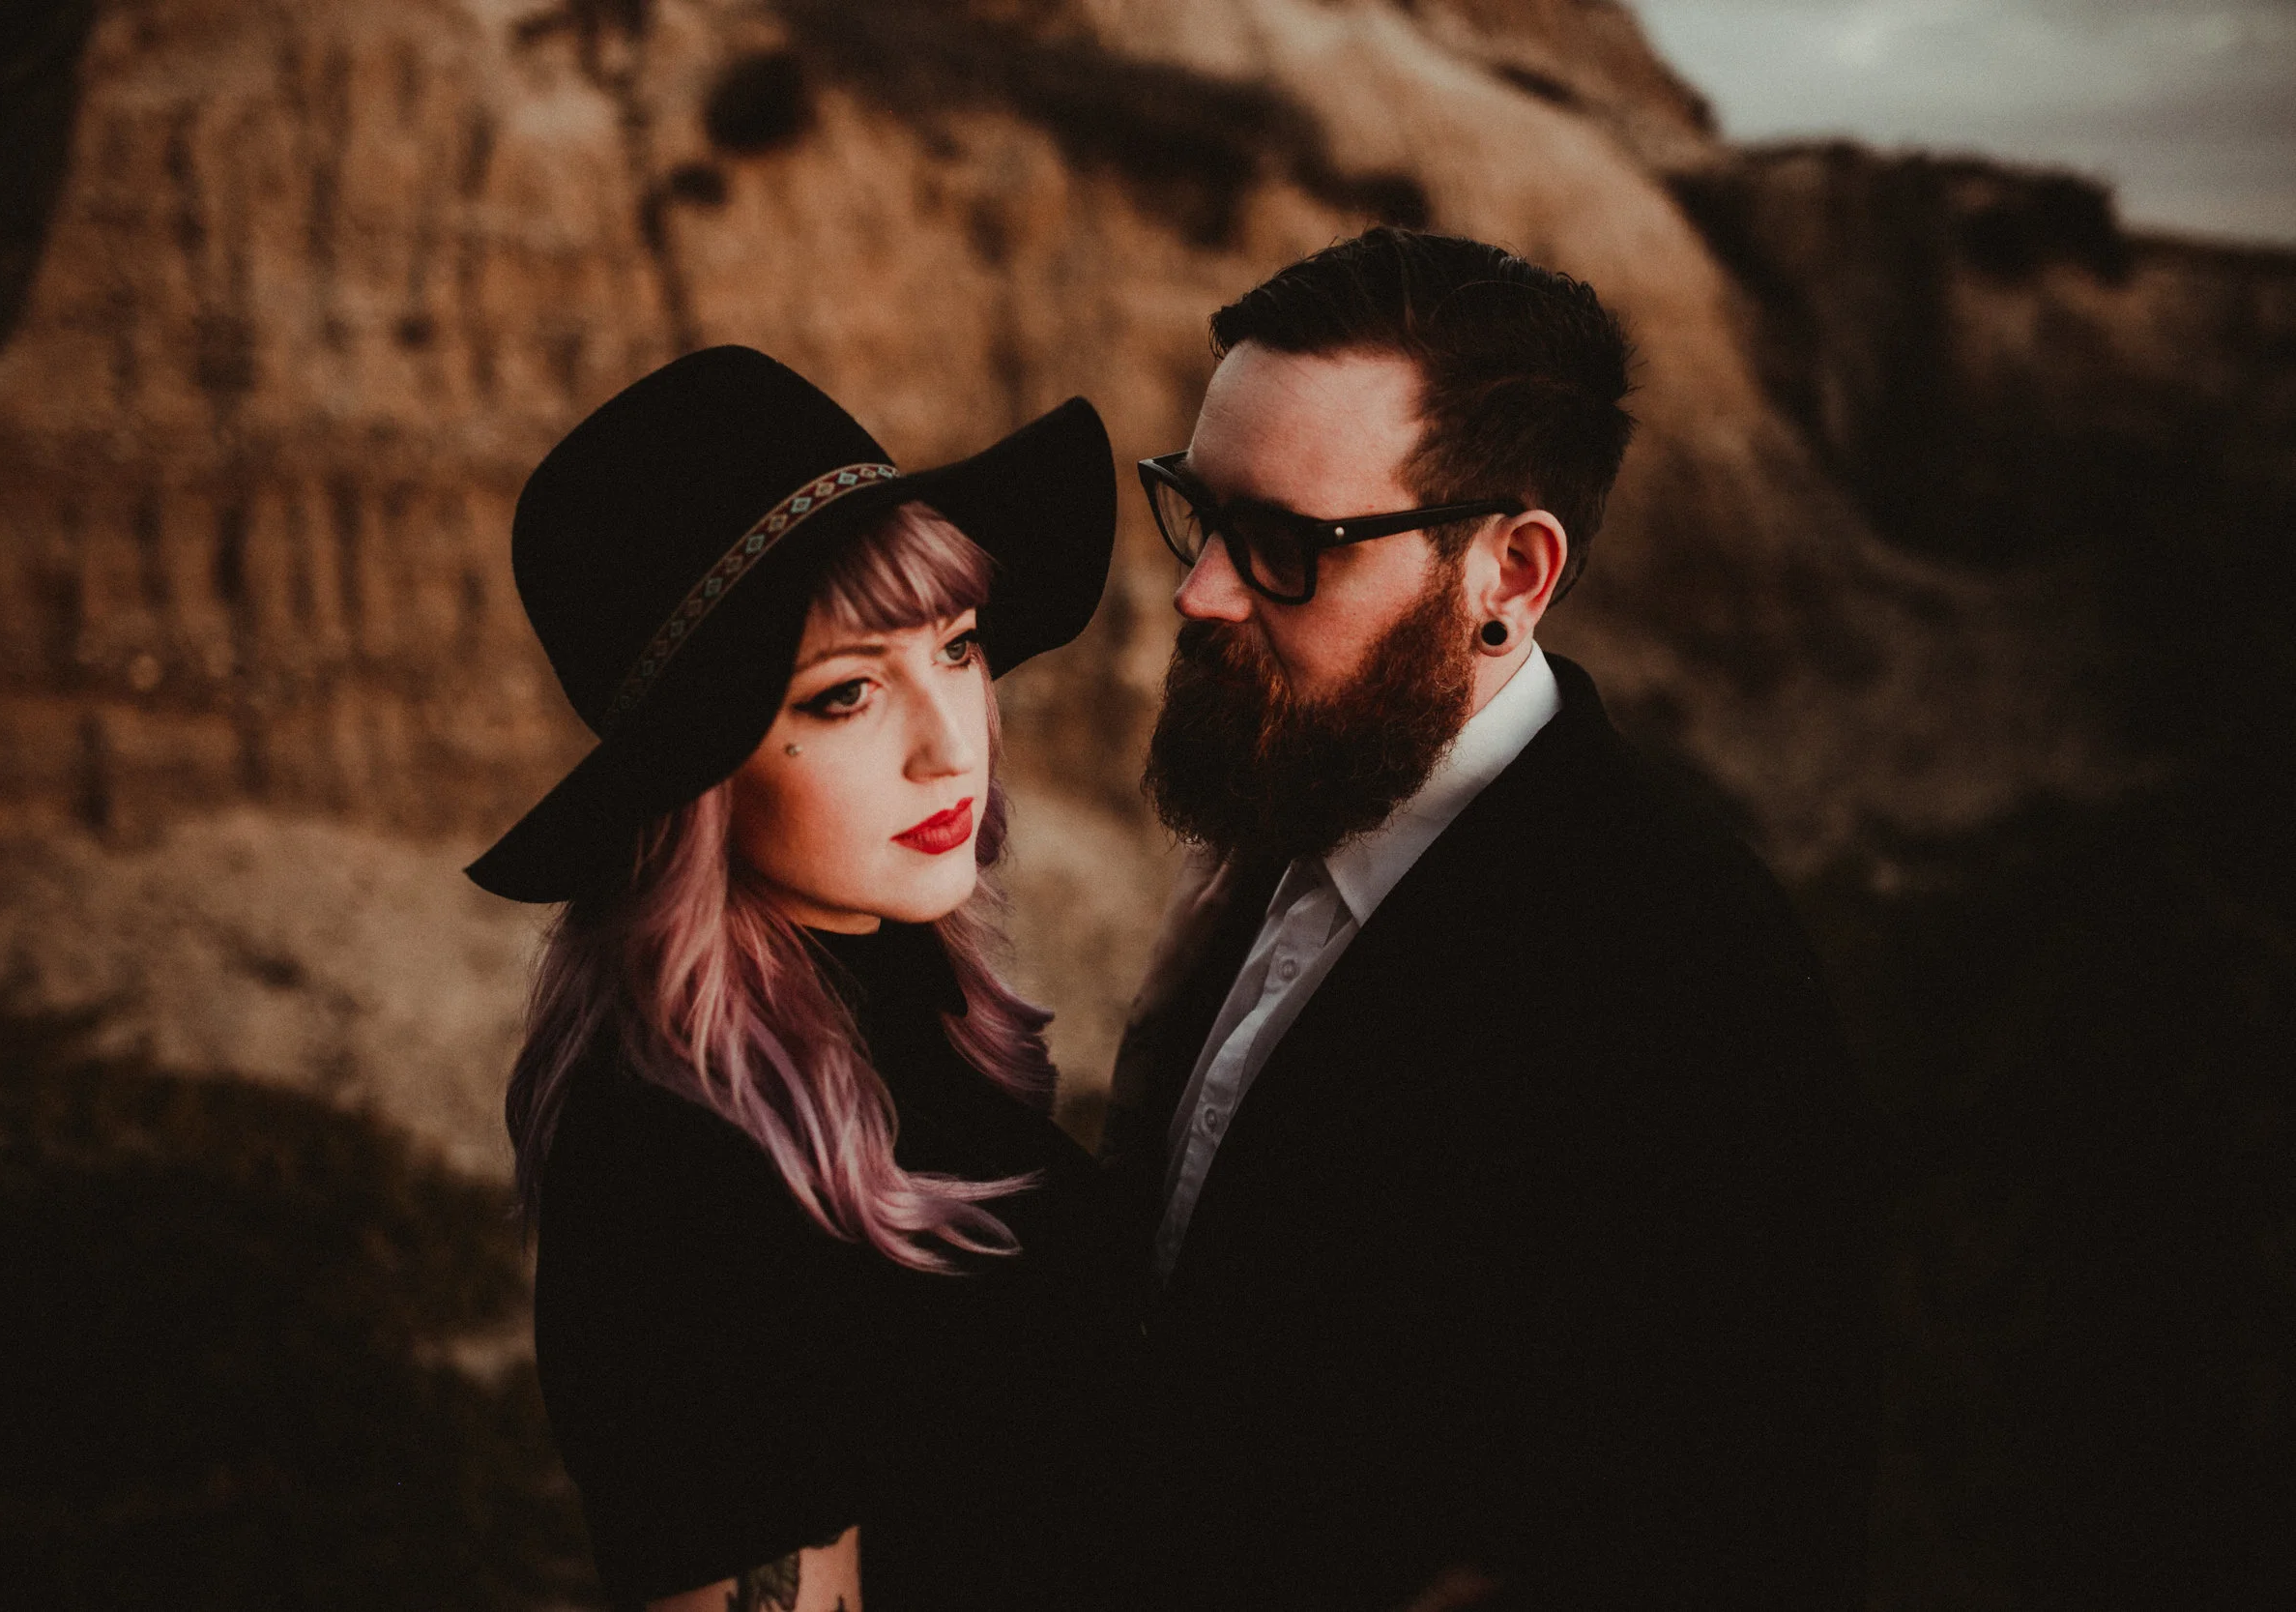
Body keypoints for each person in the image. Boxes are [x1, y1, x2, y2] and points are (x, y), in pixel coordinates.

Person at [1101, 229, 1882, 1611]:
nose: (1199, 590)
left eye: (1285, 544)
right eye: (1197, 510)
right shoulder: (1297, 801)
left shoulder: (1679, 983)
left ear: (1510, 575)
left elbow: (1714, 1534)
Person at [464, 345, 1123, 1612]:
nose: (950, 743)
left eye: (958, 646)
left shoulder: (893, 997)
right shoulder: (680, 1165)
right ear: (699, 776)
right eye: (847, 694)